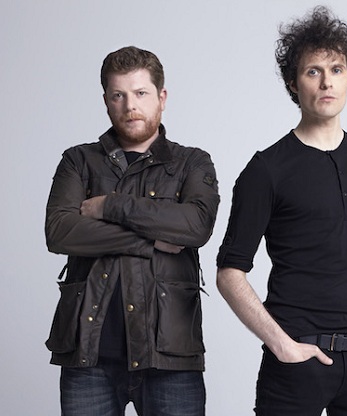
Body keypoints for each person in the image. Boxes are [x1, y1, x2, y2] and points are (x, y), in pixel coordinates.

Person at [216, 6, 347, 416]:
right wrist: (281, 344)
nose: (326, 81)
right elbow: (230, 273)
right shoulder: (266, 169)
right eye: (313, 71)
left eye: (336, 70)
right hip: (295, 361)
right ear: (293, 83)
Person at [45, 46, 219, 415]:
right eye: (118, 95)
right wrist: (152, 239)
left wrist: (110, 206)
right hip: (88, 355)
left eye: (141, 93)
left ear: (162, 97)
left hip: (170, 356)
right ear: (106, 101)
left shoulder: (192, 162)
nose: (130, 106)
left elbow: (196, 226)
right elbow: (59, 231)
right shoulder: (78, 161)